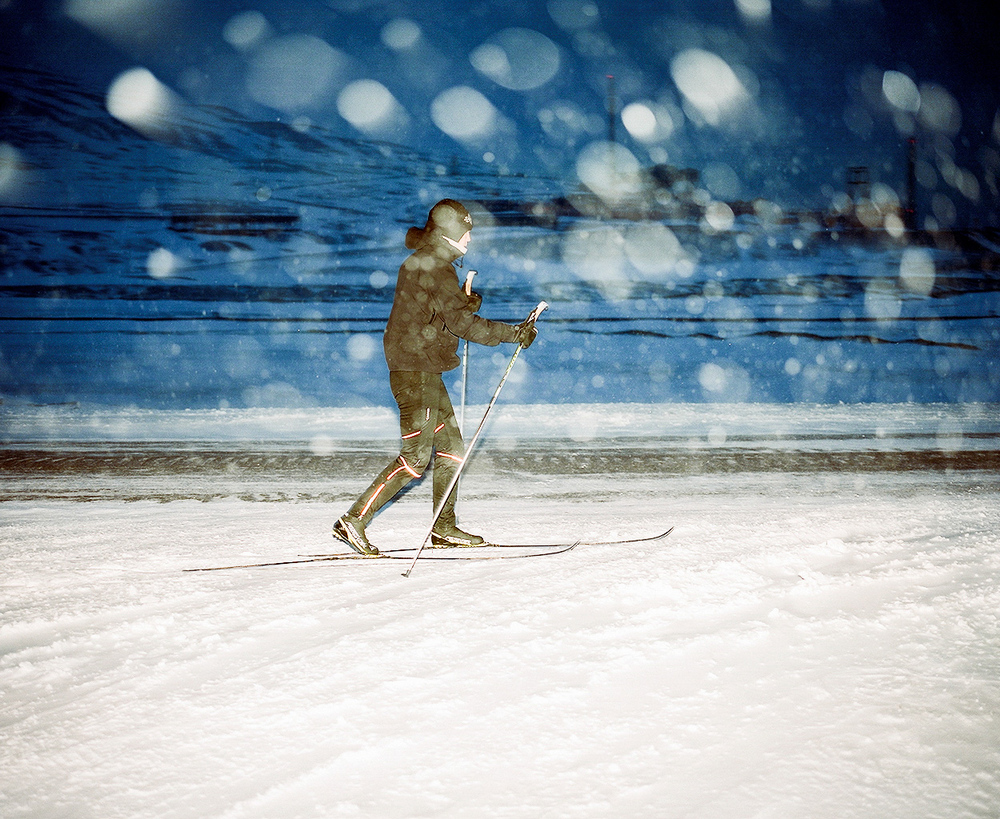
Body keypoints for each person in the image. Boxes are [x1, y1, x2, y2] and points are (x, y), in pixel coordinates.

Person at [332, 199, 537, 555]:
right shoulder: (436, 267)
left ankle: (443, 528)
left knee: (453, 450)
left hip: (421, 368)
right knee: (414, 458)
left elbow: (433, 311)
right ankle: (353, 520)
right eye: (466, 230)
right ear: (448, 233)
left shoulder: (426, 262)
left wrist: (461, 303)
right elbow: (458, 323)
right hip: (416, 372)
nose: (470, 237)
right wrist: (513, 333)